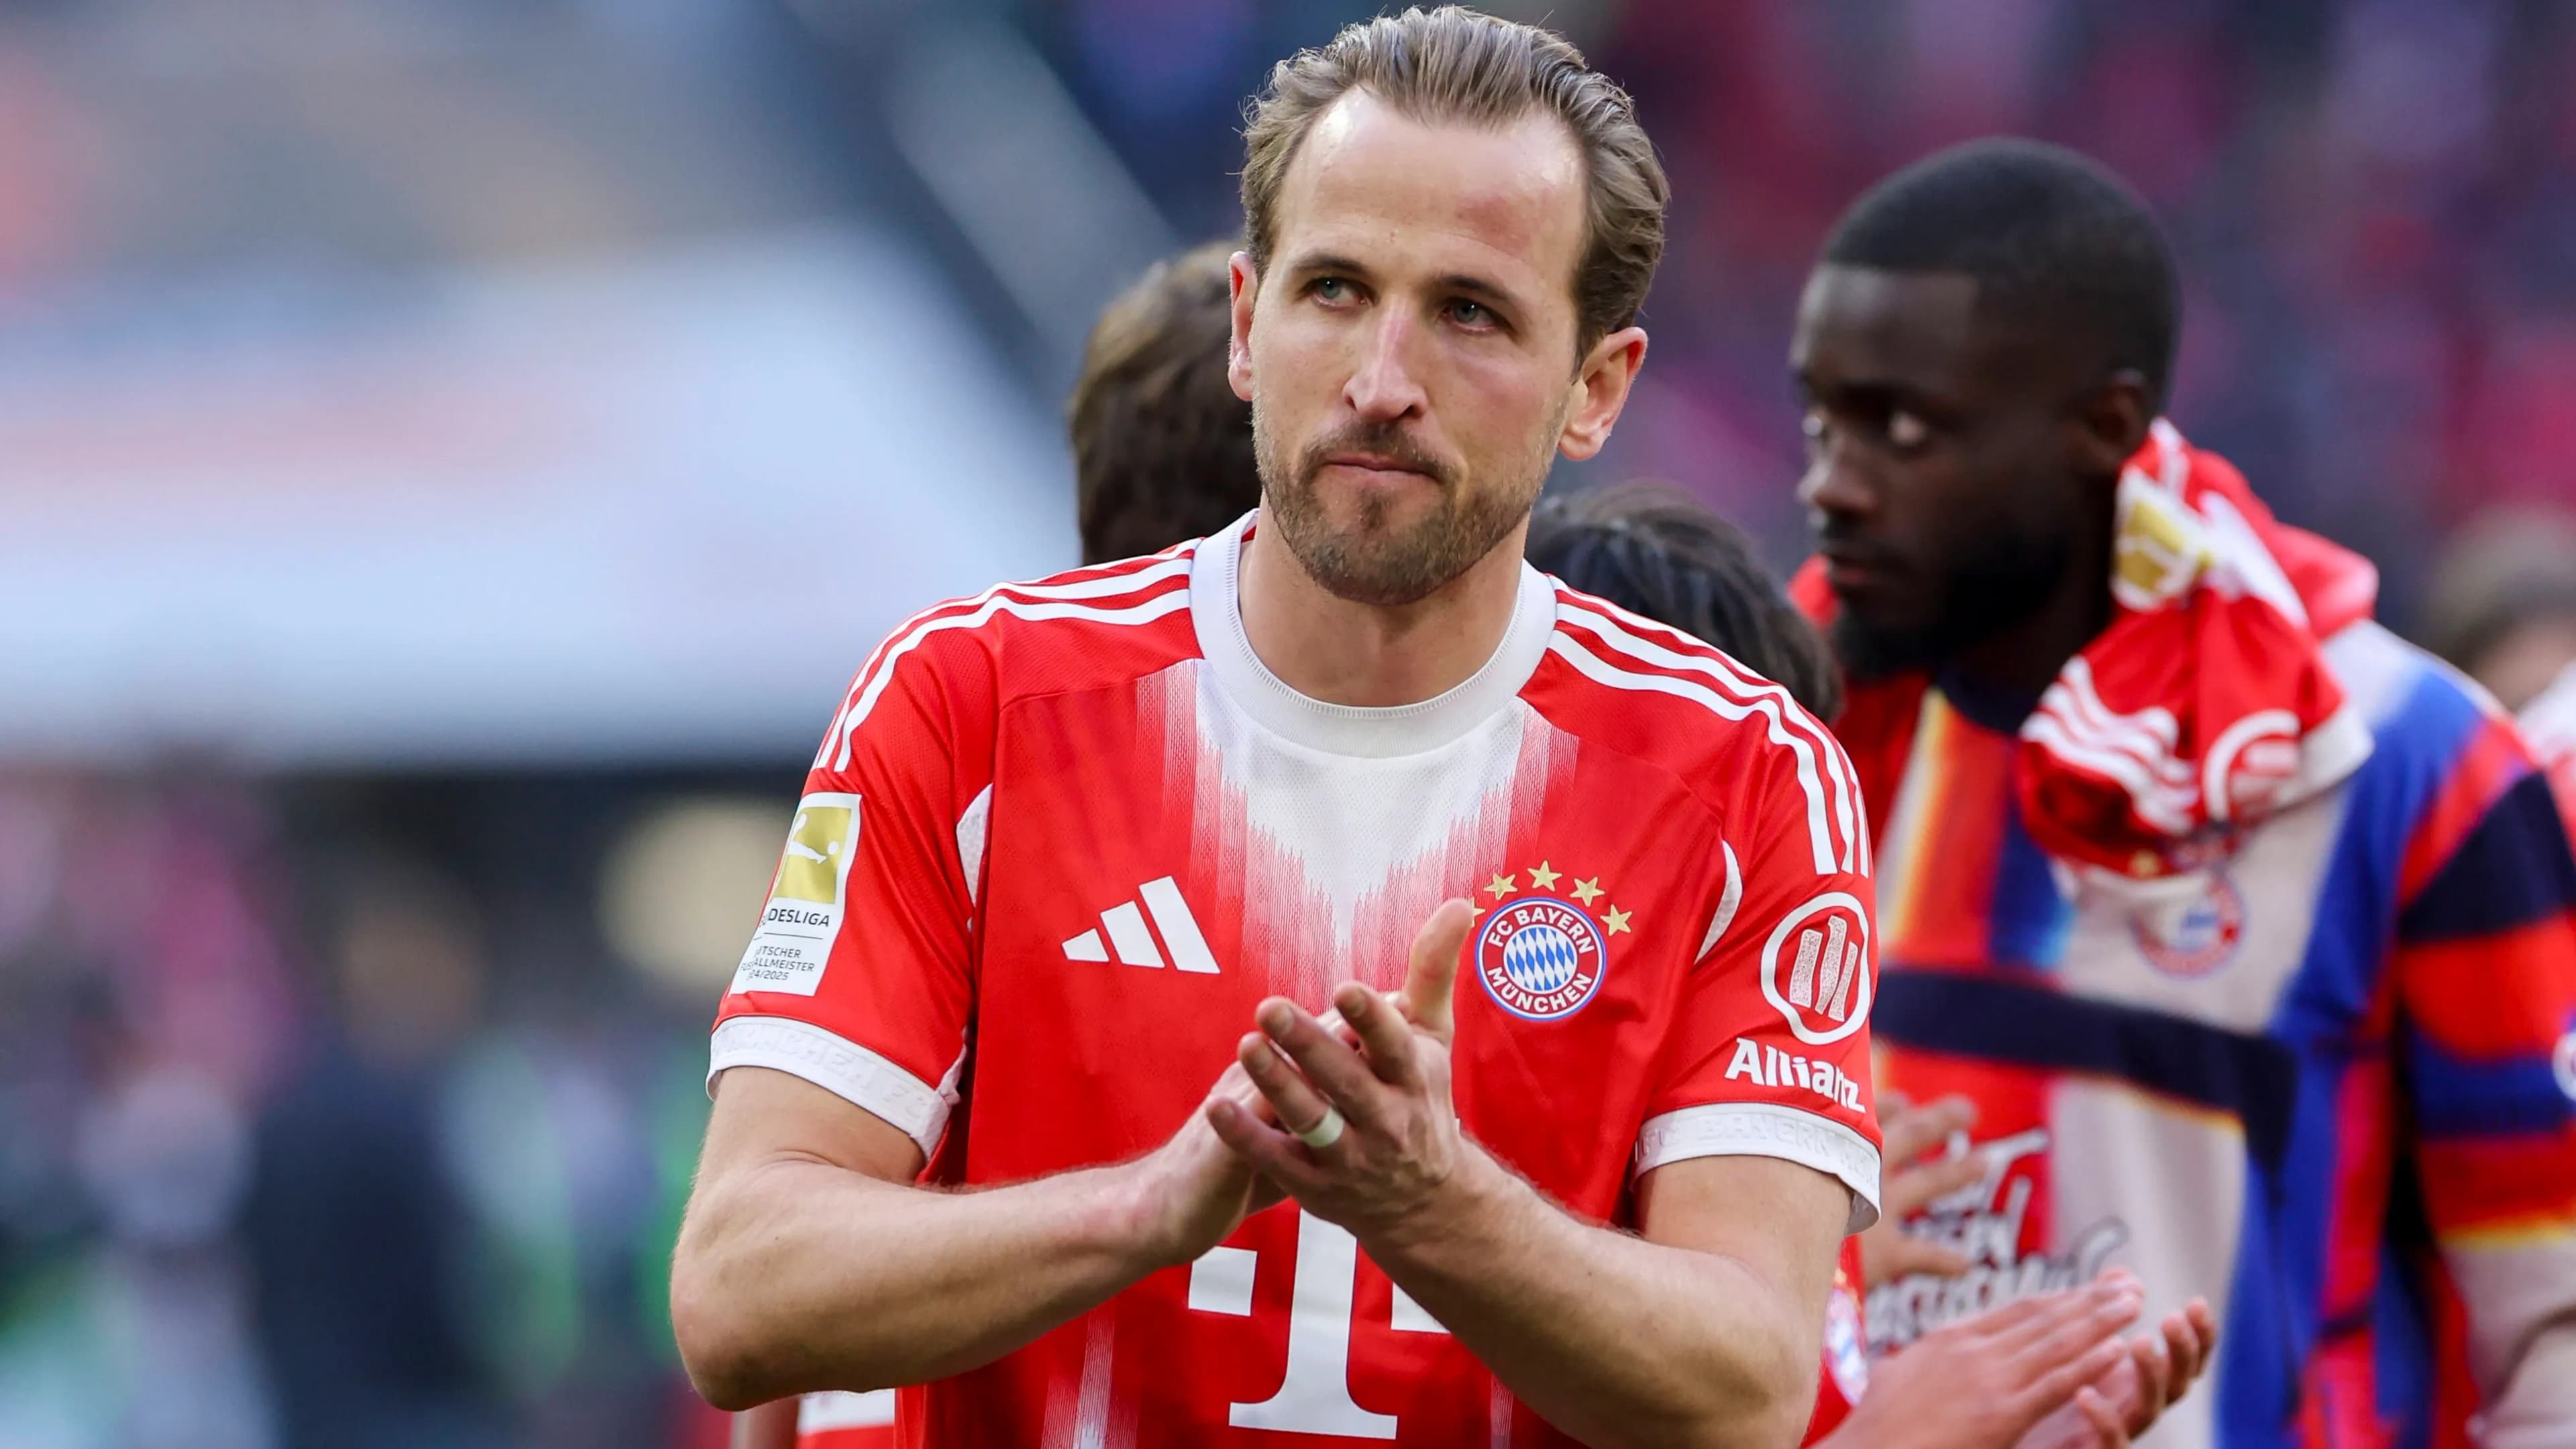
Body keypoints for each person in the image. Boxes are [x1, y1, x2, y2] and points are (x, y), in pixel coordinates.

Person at [676, 9, 1883, 1446]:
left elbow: (1751, 1389)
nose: (1382, 379)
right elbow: (735, 1295)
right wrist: (1147, 1208)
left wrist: (1437, 1204)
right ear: (1249, 325)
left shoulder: (1747, 780)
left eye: (1471, 313)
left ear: (1598, 389)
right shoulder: (970, 703)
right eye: (1335, 291)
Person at [1788, 137, 2576, 1449]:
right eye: (1823, 421)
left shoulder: (2399, 761)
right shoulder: (1781, 737)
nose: (1833, 484)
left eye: (1905, 429)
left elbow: (2552, 1319)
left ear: (2105, 428)